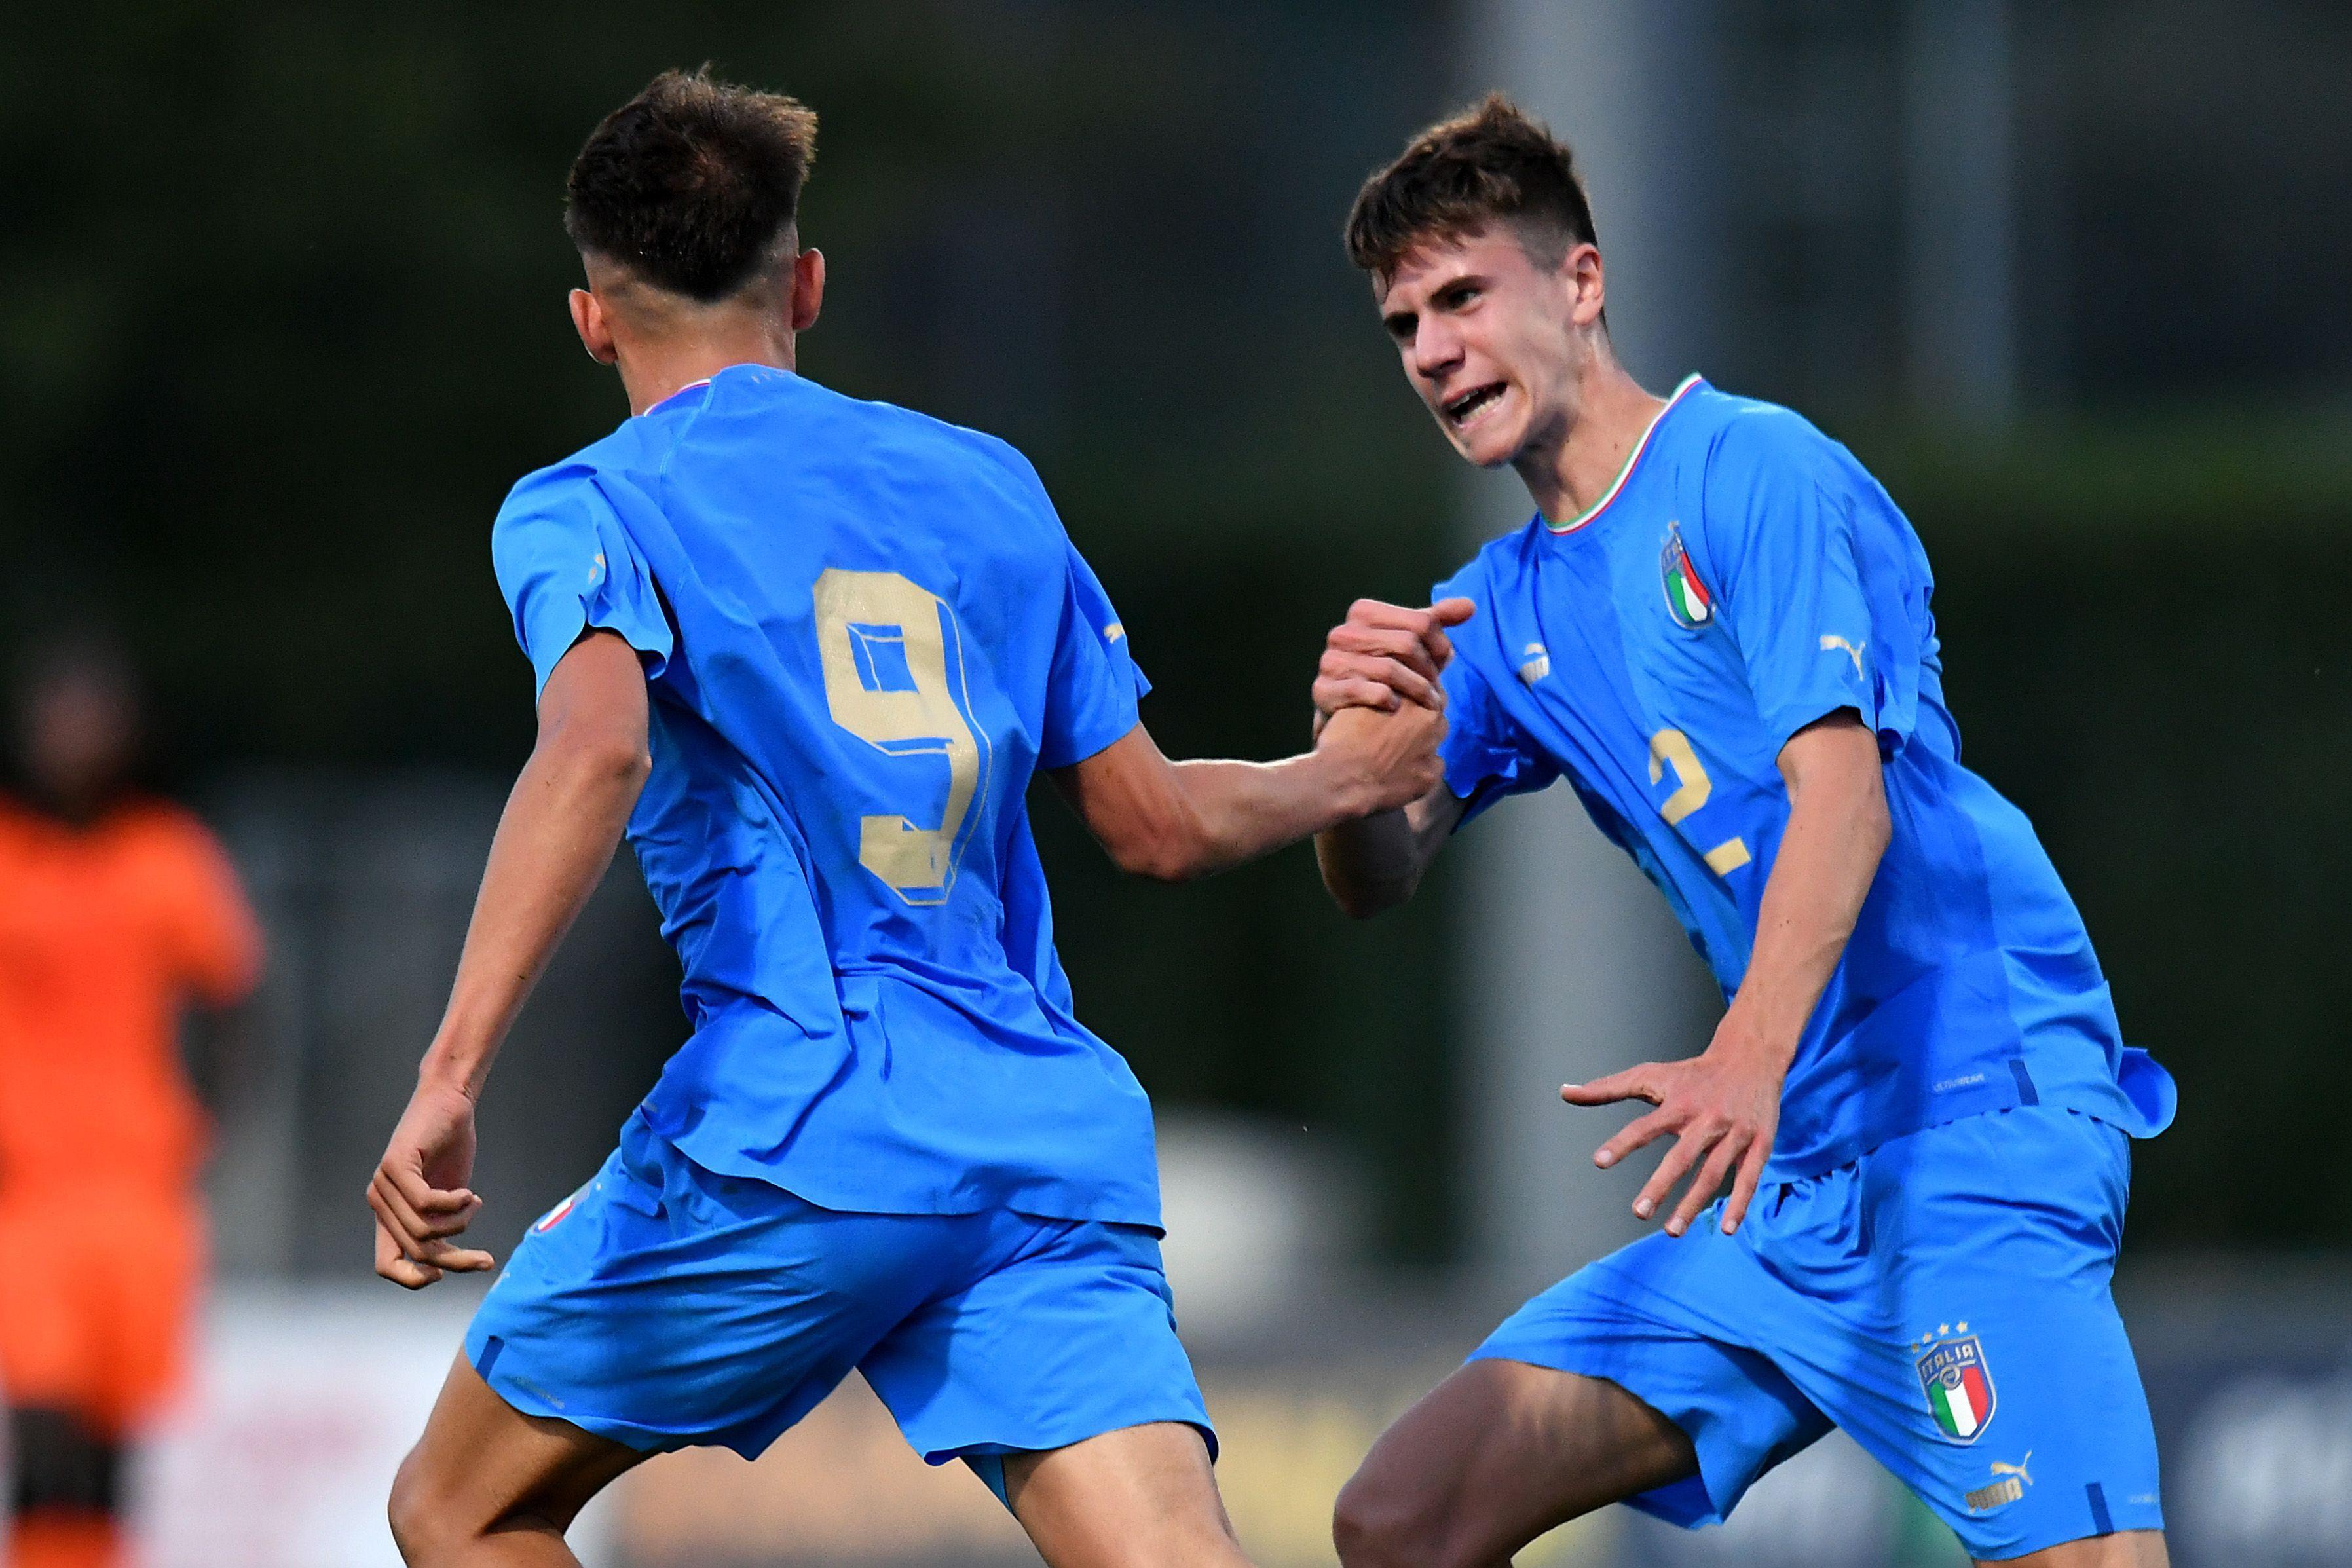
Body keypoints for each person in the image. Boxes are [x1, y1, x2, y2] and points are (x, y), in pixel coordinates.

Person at [368, 68, 1443, 1568]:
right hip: (1035, 1129)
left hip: (798, 1118)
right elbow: (1154, 827)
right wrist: (1352, 770)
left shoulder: (582, 502)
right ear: (804, 284)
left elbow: (596, 750)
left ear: (591, 317)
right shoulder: (988, 486)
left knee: (458, 1504)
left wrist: (447, 1073)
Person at [1309, 96, 2177, 1567]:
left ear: (1579, 284)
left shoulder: (1750, 470)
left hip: (1964, 1114)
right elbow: (1377, 878)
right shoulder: (1495, 604)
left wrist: (1742, 1061)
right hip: (1785, 1179)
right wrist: (1346, 756)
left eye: (1464, 297)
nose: (1435, 352)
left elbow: (1839, 799)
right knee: (1401, 1517)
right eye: (1404, 328)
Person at [0, 637, 263, 1568]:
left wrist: (205, 1120)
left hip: (136, 1189)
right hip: (30, 1189)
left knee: (109, 1440)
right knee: (44, 1420)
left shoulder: (168, 857)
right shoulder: (11, 855)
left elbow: (234, 997)